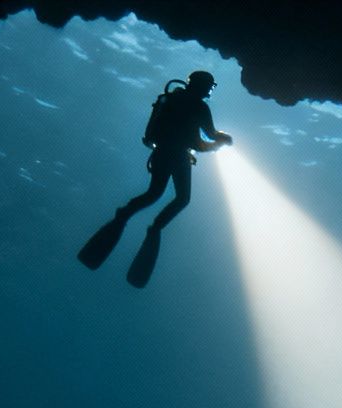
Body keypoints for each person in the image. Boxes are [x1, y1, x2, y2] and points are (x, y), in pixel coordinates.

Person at [78, 70, 233, 286]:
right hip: (178, 156)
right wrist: (222, 141)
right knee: (180, 199)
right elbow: (204, 140)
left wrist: (214, 142)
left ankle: (125, 215)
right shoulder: (199, 107)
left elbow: (172, 137)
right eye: (210, 86)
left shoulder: (171, 99)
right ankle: (154, 227)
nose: (210, 91)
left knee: (154, 194)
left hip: (162, 153)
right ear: (202, 85)